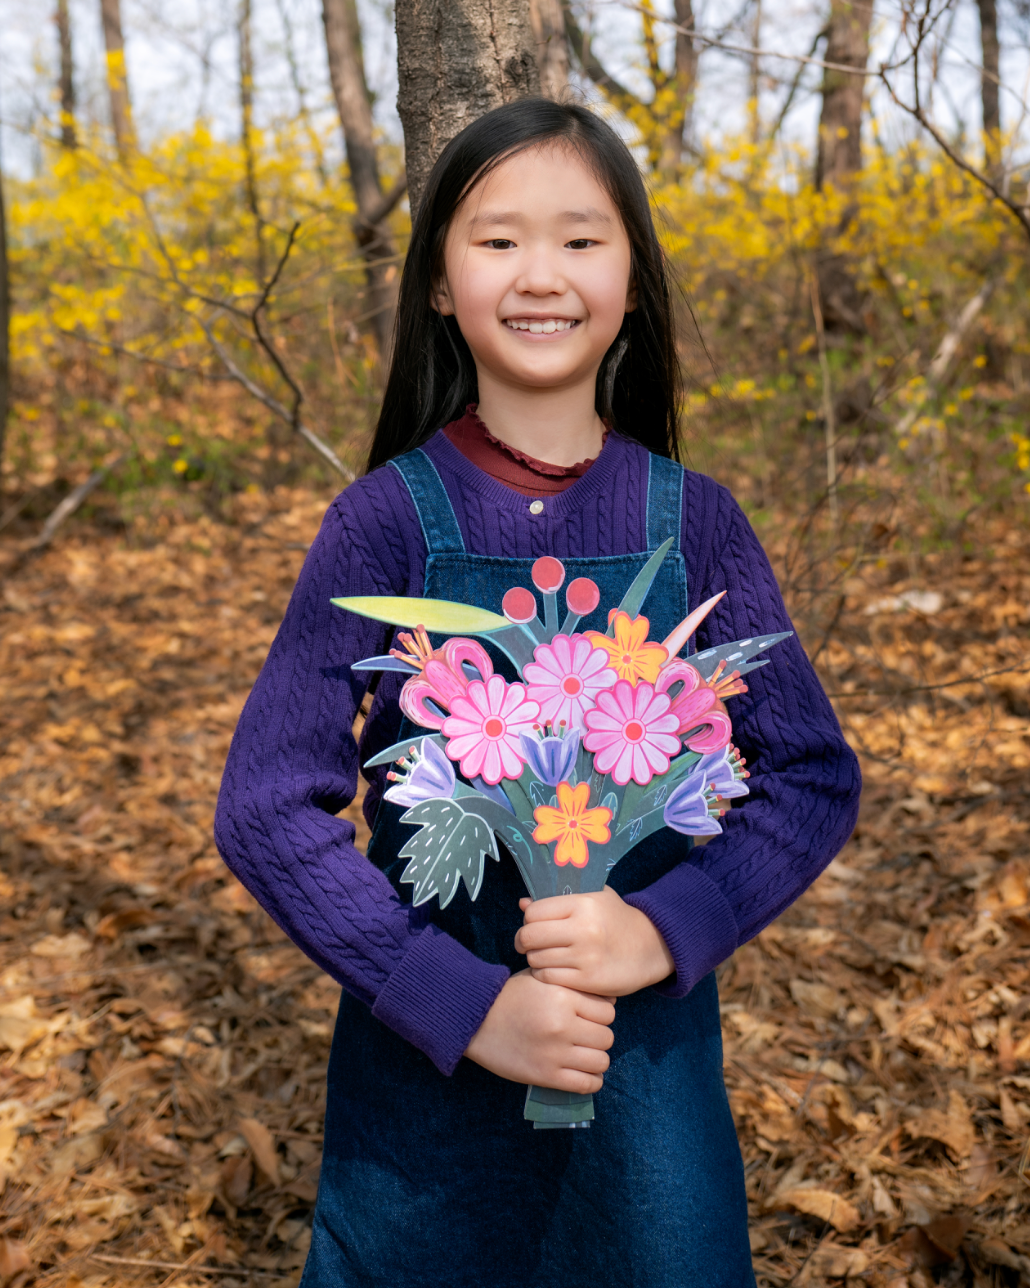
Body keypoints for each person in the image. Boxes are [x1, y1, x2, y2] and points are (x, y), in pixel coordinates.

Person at [214, 99, 860, 1288]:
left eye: (580, 238)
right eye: (497, 238)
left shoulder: (693, 523)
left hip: (639, 1081)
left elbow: (810, 777)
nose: (540, 274)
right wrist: (459, 1002)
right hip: (427, 1090)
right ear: (436, 282)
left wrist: (663, 927)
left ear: (632, 279)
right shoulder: (382, 524)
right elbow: (265, 808)